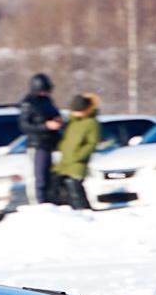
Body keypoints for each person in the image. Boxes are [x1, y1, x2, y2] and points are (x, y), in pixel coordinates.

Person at [19, 73, 63, 204]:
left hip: (51, 143)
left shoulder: (48, 101)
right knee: (39, 177)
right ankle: (39, 202)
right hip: (37, 144)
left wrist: (57, 121)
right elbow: (24, 125)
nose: (44, 93)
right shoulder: (28, 103)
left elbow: (55, 114)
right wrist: (45, 126)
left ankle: (50, 201)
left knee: (50, 177)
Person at [52, 94, 101, 210]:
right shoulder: (72, 122)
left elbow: (92, 143)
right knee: (57, 188)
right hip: (64, 161)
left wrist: (79, 156)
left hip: (77, 162)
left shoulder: (91, 123)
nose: (75, 113)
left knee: (75, 188)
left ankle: (84, 211)